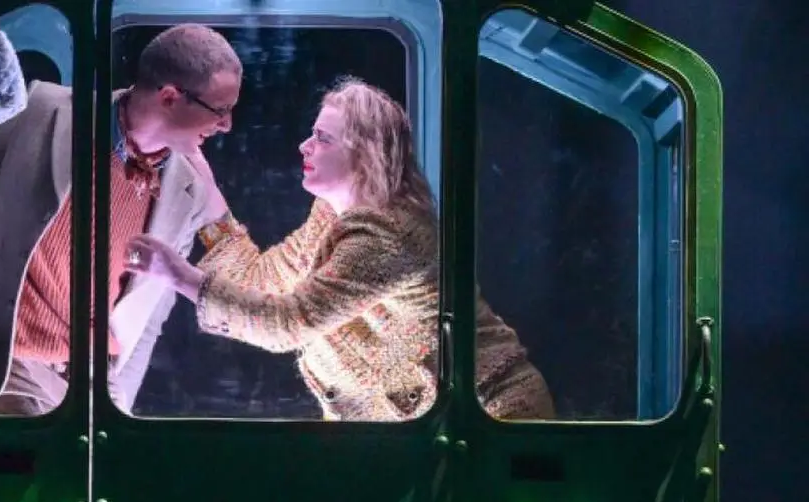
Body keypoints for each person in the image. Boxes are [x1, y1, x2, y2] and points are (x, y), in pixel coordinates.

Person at [126, 77, 555, 421]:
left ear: (366, 154)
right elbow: (262, 279)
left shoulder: (388, 234)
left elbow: (288, 322)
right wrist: (201, 178)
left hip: (488, 420)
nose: (304, 146)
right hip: (421, 428)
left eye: (322, 137)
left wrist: (178, 275)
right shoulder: (331, 215)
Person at [0, 24, 242, 415]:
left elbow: (149, 318)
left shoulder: (189, 193)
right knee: (35, 455)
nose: (227, 125)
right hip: (8, 363)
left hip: (95, 385)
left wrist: (119, 406)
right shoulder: (46, 110)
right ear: (169, 96)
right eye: (219, 110)